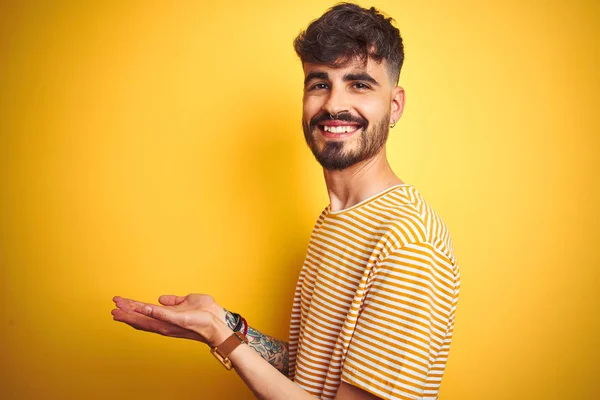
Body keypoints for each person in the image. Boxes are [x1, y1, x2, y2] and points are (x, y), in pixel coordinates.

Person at [112, 3, 460, 399]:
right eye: (319, 83)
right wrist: (222, 323)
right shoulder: (338, 219)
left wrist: (219, 337)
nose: (333, 104)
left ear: (394, 105)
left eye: (359, 84)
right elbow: (308, 368)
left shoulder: (409, 244)